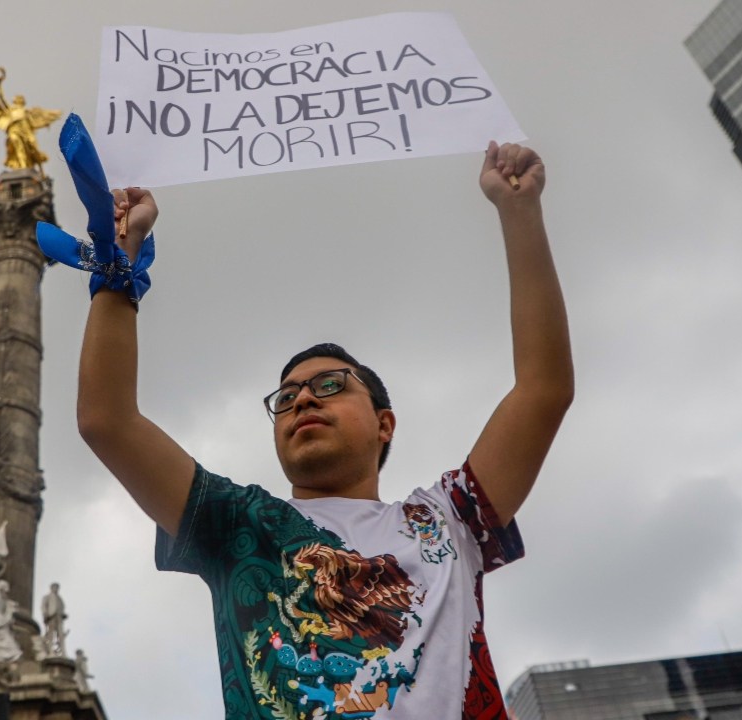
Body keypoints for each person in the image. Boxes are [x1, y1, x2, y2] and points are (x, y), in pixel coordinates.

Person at [73, 141, 573, 718]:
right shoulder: (237, 524)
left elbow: (544, 390)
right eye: (285, 397)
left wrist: (520, 212)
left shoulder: (450, 520)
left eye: (332, 385)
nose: (304, 397)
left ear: (384, 424)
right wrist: (119, 263)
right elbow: (105, 420)